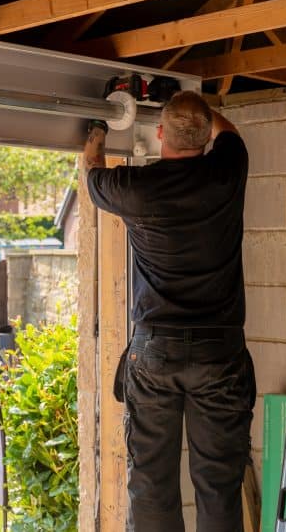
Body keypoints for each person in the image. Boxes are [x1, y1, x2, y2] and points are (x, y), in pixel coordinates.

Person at [83, 90, 256, 532]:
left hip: (157, 351)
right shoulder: (226, 171)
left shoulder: (137, 188)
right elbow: (228, 132)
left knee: (152, 483)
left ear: (160, 133)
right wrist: (204, 113)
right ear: (203, 135)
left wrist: (98, 131)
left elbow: (91, 173)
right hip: (220, 354)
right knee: (218, 484)